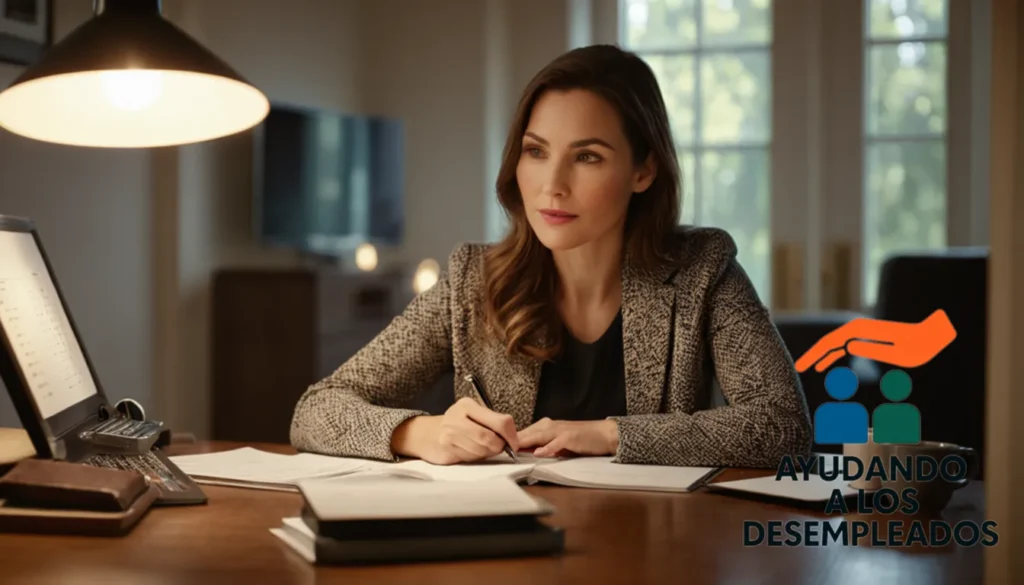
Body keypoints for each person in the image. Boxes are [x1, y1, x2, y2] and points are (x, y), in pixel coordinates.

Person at [289, 44, 812, 469]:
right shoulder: (472, 278)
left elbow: (782, 425)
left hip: (655, 547)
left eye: (587, 157)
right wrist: (418, 431)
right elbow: (317, 410)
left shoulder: (703, 269)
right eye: (536, 151)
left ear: (643, 171)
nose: (552, 186)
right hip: (510, 552)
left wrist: (610, 435)